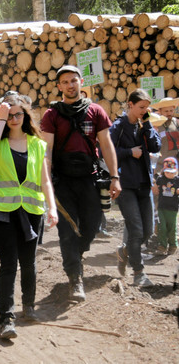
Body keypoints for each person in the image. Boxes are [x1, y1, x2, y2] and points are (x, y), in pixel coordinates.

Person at [40, 64, 121, 302]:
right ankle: (75, 279)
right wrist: (47, 182)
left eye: (73, 80)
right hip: (62, 181)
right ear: (59, 86)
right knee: (67, 231)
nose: (69, 85)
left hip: (89, 178)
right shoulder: (51, 115)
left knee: (92, 227)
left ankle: (77, 253)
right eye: (64, 82)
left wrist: (115, 177)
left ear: (81, 82)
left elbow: (106, 145)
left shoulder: (96, 111)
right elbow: (47, 151)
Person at [0, 96, 58, 339]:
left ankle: (28, 306)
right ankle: (6, 319)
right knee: (8, 263)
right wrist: (1, 119)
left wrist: (52, 208)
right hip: (2, 212)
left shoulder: (37, 143)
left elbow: (44, 179)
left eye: (18, 115)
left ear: (26, 116)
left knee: (28, 262)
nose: (14, 119)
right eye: (10, 115)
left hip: (32, 212)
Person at [110, 89, 161, 287]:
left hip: (144, 185)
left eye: (147, 108)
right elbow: (105, 150)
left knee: (147, 231)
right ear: (130, 105)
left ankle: (124, 251)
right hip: (125, 185)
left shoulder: (144, 125)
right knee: (136, 230)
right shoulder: (118, 126)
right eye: (141, 107)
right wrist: (129, 152)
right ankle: (139, 272)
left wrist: (147, 124)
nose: (144, 111)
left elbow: (156, 147)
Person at [153, 157, 179, 255]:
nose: (170, 174)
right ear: (164, 171)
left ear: (176, 171)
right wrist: (155, 186)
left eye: (172, 172)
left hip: (173, 209)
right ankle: (162, 246)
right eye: (168, 172)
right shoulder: (160, 179)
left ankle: (173, 245)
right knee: (161, 227)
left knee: (172, 228)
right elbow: (155, 187)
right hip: (161, 208)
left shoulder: (177, 180)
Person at [151, 97, 179, 173]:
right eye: (166, 111)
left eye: (171, 110)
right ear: (160, 111)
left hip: (176, 168)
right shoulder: (155, 124)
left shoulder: (176, 122)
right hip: (161, 168)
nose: (169, 113)